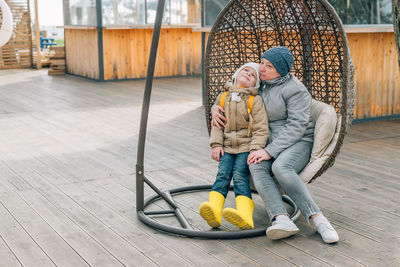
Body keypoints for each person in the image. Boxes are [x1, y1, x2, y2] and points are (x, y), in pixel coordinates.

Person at [211, 47, 339, 243]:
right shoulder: (261, 83)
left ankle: (317, 218)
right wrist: (215, 107)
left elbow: (297, 126)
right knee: (255, 164)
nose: (261, 68)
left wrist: (269, 151)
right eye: (262, 62)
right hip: (267, 142)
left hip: (298, 141)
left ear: (281, 70)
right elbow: (235, 92)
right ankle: (281, 218)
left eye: (269, 66)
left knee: (281, 167)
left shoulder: (295, 89)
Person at [199, 62, 269, 230]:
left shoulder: (255, 100)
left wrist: (256, 148)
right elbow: (217, 124)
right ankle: (214, 211)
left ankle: (245, 215)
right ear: (237, 74)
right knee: (222, 174)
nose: (248, 74)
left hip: (246, 148)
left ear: (256, 83)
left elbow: (261, 127)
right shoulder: (223, 98)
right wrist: (216, 144)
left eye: (253, 75)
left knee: (239, 175)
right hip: (227, 147)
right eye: (245, 70)